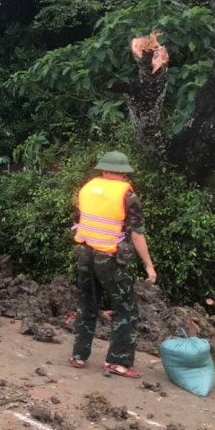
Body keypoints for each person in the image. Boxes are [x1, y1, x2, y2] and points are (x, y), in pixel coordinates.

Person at [69, 151, 157, 379]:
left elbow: (78, 221)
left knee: (87, 303)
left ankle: (78, 355)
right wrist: (149, 265)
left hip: (85, 253)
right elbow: (137, 234)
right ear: (123, 172)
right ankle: (117, 363)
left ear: (103, 169)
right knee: (126, 309)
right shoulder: (127, 195)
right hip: (108, 259)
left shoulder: (86, 189)